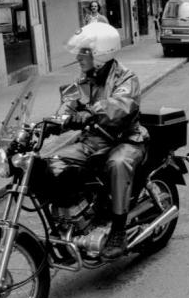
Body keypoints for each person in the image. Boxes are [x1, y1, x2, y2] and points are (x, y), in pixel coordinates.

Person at [48, 22, 149, 259]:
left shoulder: (126, 78)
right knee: (54, 163)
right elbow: (68, 104)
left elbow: (121, 106)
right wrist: (54, 121)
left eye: (85, 52)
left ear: (101, 53)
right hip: (94, 142)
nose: (80, 57)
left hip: (126, 140)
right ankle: (67, 221)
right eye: (80, 51)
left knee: (117, 164)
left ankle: (118, 229)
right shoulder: (84, 80)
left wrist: (93, 111)